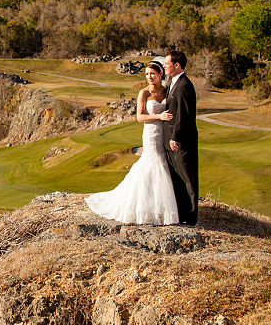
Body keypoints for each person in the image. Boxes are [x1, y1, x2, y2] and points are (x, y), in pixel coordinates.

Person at [85, 58, 179, 225]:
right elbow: (139, 117)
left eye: (152, 74)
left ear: (160, 74)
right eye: (147, 74)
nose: (149, 77)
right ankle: (143, 206)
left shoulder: (167, 90)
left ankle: (158, 206)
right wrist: (158, 116)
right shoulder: (144, 93)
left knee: (162, 164)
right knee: (151, 164)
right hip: (150, 133)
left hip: (163, 133)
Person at [162, 51, 199, 226]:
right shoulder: (172, 84)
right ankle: (182, 213)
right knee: (176, 178)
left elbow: (184, 115)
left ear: (177, 65)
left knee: (188, 179)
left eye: (167, 63)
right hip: (170, 140)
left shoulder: (184, 85)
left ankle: (191, 218)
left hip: (181, 141)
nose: (165, 66)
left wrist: (175, 137)